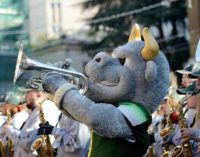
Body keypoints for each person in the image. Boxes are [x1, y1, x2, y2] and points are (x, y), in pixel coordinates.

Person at [1, 75, 60, 157]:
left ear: (38, 95)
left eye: (28, 92)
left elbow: (30, 142)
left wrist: (8, 129)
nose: (25, 96)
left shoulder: (47, 108)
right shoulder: (38, 109)